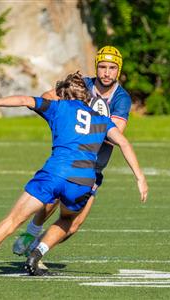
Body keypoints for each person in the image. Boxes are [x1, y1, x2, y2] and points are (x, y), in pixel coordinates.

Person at [0, 71, 148, 277]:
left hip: (54, 174)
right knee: (68, 221)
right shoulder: (101, 120)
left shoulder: (58, 107)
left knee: (12, 221)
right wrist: (140, 177)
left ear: (64, 94)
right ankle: (37, 253)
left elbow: (23, 100)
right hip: (83, 181)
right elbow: (122, 142)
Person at [12, 46, 135, 260]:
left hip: (93, 168)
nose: (107, 72)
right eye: (103, 67)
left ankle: (37, 251)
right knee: (49, 202)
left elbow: (116, 133)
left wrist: (83, 122)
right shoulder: (83, 85)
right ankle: (31, 234)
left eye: (112, 68)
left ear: (119, 70)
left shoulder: (121, 99)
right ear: (96, 67)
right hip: (68, 158)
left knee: (74, 224)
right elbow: (48, 96)